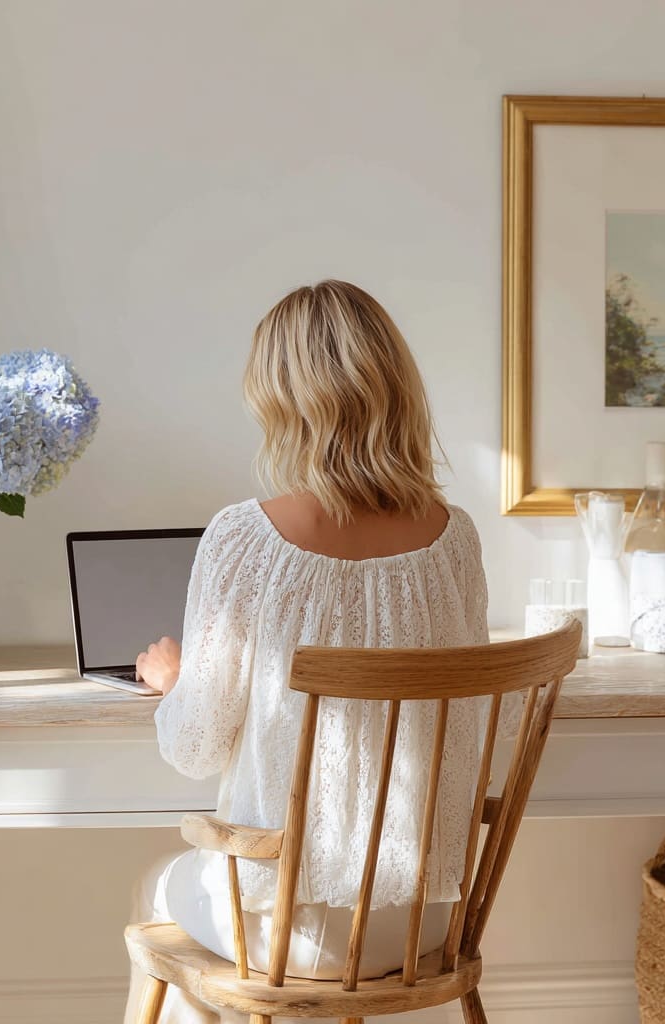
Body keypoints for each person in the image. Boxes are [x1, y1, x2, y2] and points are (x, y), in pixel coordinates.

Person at [123, 280, 490, 1023]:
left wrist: (175, 680)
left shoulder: (244, 538)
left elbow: (194, 748)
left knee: (155, 887)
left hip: (289, 929)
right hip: (426, 921)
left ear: (280, 399)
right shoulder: (455, 537)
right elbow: (481, 714)